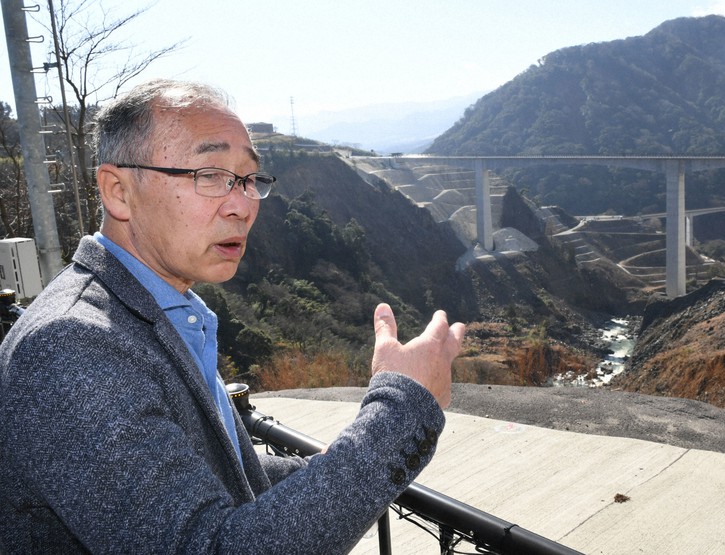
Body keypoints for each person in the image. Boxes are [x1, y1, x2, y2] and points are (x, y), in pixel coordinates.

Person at [0, 79, 465, 553]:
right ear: (118, 191)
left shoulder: (155, 313)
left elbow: (213, 476)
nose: (242, 205)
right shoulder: (71, 346)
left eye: (247, 179)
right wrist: (402, 409)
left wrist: (338, 467)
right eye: (209, 174)